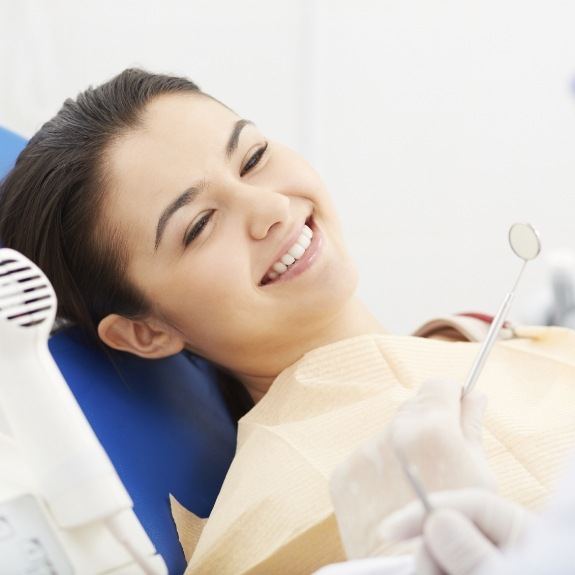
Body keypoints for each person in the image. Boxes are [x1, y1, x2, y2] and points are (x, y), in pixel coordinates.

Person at [1, 69, 574, 574]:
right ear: (145, 332)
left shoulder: (470, 344)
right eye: (199, 225)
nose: (271, 208)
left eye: (252, 158)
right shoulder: (284, 524)